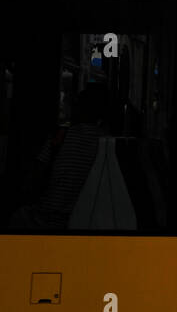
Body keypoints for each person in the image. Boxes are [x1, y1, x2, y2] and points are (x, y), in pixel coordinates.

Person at [9, 84, 109, 231]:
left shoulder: (61, 137)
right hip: (84, 221)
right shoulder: (106, 142)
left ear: (79, 108)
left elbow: (35, 177)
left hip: (43, 219)